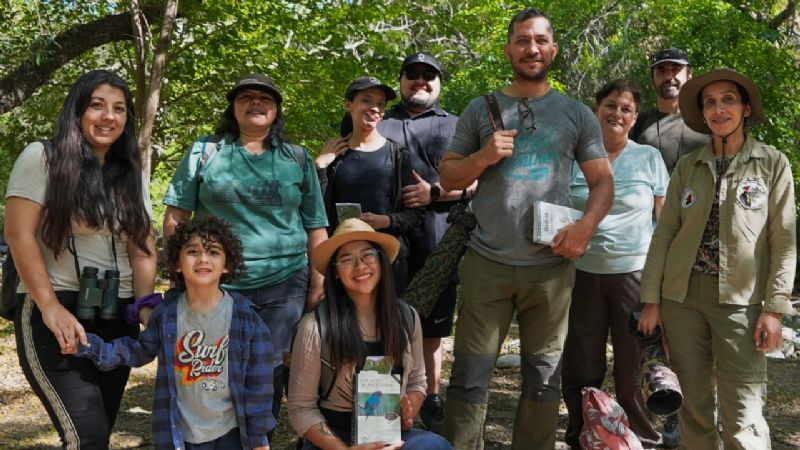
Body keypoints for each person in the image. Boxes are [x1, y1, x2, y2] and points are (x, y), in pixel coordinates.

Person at [438, 8, 614, 449]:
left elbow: (602, 182)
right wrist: (482, 157)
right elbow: (448, 178)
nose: (531, 48)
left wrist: (585, 227)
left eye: (539, 40)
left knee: (543, 379)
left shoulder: (575, 114)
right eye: (521, 40)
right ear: (508, 49)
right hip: (486, 264)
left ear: (552, 49)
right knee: (469, 377)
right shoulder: (481, 109)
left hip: (550, 268)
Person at [638, 68, 796, 449]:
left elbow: (784, 239)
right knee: (693, 408)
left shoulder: (772, 163)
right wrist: (651, 301)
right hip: (682, 301)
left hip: (742, 305)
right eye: (710, 102)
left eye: (728, 99)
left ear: (745, 108)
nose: (718, 108)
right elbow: (664, 236)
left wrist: (774, 309)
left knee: (743, 412)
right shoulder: (688, 167)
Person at [4, 70, 157, 449]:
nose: (109, 116)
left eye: (119, 109)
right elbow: (19, 234)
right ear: (77, 110)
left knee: (97, 434)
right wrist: (50, 306)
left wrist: (144, 308)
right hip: (55, 309)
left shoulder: (130, 172)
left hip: (116, 315)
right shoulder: (43, 156)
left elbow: (142, 248)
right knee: (85, 435)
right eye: (98, 105)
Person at [163, 73, 328, 422]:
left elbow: (316, 225)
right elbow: (176, 217)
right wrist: (181, 274)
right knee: (214, 365)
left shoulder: (296, 158)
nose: (256, 103)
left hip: (283, 282)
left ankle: (258, 439)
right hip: (217, 284)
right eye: (246, 97)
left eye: (265, 98)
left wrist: (318, 282)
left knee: (267, 369)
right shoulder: (205, 151)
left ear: (276, 110)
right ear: (233, 108)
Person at [70, 217, 275, 450]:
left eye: (214, 252)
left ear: (227, 264)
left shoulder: (247, 320)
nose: (203, 259)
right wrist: (88, 346)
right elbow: (138, 351)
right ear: (177, 263)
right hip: (179, 434)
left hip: (230, 434)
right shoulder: (166, 313)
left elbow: (259, 388)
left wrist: (259, 440)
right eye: (193, 251)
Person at [561, 80, 668, 449]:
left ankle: (643, 439)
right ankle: (583, 435)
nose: (617, 114)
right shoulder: (574, 156)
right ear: (596, 110)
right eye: (610, 105)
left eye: (626, 109)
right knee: (581, 365)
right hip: (580, 275)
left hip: (634, 276)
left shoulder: (648, 158)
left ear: (635, 117)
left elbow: (666, 222)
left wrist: (661, 285)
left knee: (632, 370)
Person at [286, 218, 452, 450]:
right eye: (347, 259)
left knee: (436, 446)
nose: (360, 266)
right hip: (334, 438)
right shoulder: (315, 326)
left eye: (368, 255)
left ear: (382, 261)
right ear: (335, 272)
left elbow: (416, 382)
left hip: (389, 432)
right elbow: (300, 408)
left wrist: (409, 407)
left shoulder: (407, 317)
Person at [377, 52, 466, 434]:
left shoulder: (457, 126)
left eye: (428, 75)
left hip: (438, 245)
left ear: (439, 83)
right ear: (400, 81)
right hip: (382, 241)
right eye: (412, 75)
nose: (420, 81)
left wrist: (435, 192)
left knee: (432, 332)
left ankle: (430, 398)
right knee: (377, 321)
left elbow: (477, 181)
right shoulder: (379, 120)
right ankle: (377, 402)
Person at [316, 76, 423, 297]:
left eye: (380, 104)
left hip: (388, 259)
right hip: (343, 261)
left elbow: (415, 214)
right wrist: (319, 166)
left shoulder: (398, 155)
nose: (374, 108)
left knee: (388, 326)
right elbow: (315, 212)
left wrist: (386, 220)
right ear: (348, 105)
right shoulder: (334, 156)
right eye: (366, 100)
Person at [629, 48, 709, 175]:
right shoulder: (636, 124)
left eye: (675, 69)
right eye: (661, 71)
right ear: (652, 80)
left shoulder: (709, 120)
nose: (668, 76)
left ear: (689, 75)